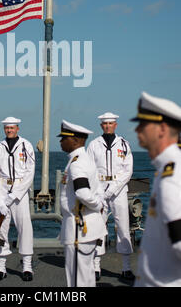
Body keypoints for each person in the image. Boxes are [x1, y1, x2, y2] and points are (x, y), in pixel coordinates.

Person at [132, 91, 181, 287]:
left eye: (143, 124)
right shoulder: (167, 168)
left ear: (161, 128)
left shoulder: (172, 175)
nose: (137, 130)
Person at [58, 119, 107, 287]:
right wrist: (99, 204)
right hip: (85, 227)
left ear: (74, 141)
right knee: (85, 276)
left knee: (78, 279)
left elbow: (82, 192)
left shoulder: (77, 164)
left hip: (79, 229)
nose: (60, 141)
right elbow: (99, 189)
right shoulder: (84, 159)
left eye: (63, 138)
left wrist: (98, 205)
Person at [86, 112, 134, 281]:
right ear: (101, 126)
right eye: (104, 124)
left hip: (118, 190)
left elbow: (127, 170)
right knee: (97, 227)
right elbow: (89, 169)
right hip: (99, 189)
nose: (107, 126)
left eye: (110, 123)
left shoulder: (124, 144)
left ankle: (126, 267)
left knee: (123, 227)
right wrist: (97, 191)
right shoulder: (93, 145)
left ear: (115, 125)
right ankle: (96, 266)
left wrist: (113, 189)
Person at [0, 116, 35, 281]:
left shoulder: (26, 146)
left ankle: (27, 267)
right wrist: (0, 200)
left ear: (17, 129)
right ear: (4, 129)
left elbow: (30, 173)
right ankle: (1, 267)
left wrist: (15, 194)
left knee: (25, 228)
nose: (9, 130)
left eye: (12, 128)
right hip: (2, 192)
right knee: (1, 230)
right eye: (7, 128)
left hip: (20, 194)